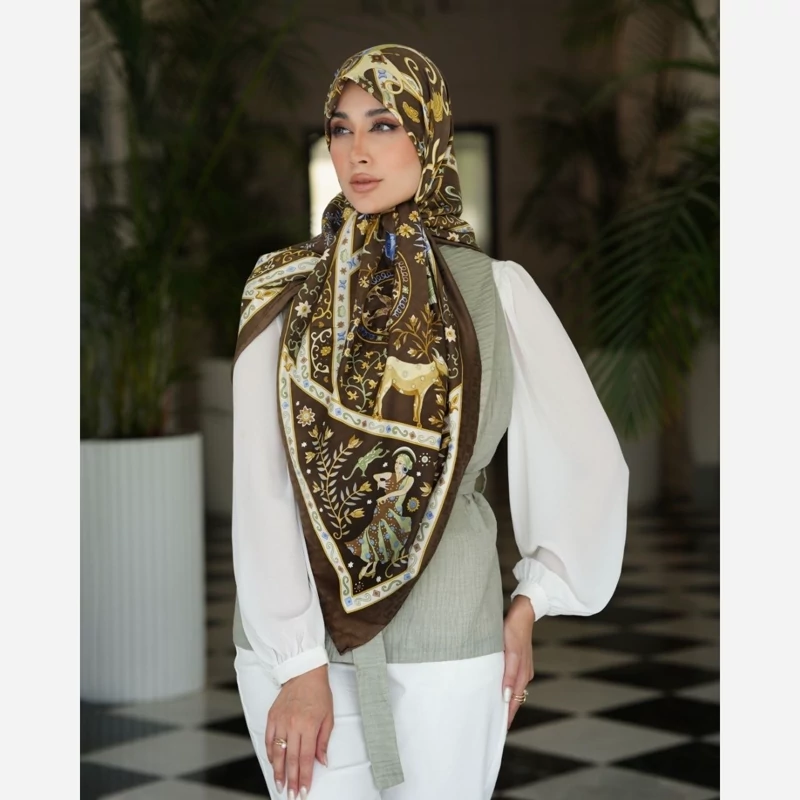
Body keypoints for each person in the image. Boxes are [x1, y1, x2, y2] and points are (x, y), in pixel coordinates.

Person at [231, 44, 628, 800]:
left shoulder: (495, 290)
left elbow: (591, 461)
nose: (357, 150)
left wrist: (529, 607)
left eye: (383, 124)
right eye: (341, 128)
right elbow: (263, 484)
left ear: (428, 134)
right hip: (299, 646)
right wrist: (297, 663)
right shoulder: (280, 290)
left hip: (451, 636)